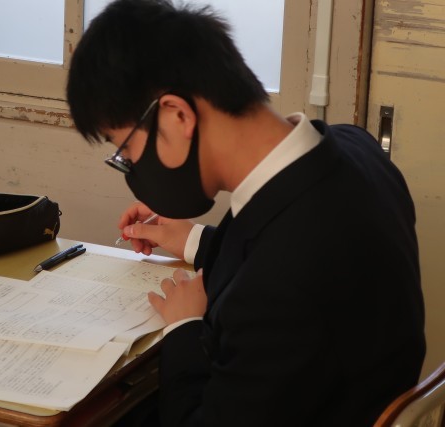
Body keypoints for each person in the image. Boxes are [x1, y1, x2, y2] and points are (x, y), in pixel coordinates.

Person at [66, 0, 426, 425]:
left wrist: (185, 328)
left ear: (177, 115)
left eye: (125, 149)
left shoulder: (280, 283)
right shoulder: (354, 150)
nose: (130, 165)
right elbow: (286, 246)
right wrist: (197, 241)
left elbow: (283, 281)